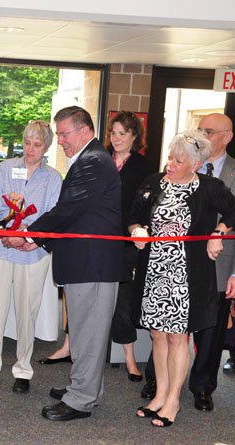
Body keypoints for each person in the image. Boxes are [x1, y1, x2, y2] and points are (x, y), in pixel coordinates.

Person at [4, 106, 123, 421]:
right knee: (85, 331)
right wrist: (38, 239)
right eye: (59, 135)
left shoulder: (93, 162)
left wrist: (31, 234)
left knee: (89, 333)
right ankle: (86, 387)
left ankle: (81, 399)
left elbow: (69, 209)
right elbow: (76, 216)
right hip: (85, 261)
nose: (61, 141)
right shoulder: (90, 159)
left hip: (93, 264)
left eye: (65, 134)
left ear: (84, 131)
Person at [129, 130, 235, 427]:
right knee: (157, 334)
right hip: (154, 270)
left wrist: (218, 233)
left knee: (177, 338)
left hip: (184, 274)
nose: (170, 164)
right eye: (170, 157)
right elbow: (134, 214)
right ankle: (160, 395)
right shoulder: (154, 182)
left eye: (178, 160)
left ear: (194, 164)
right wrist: (136, 230)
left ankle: (173, 401)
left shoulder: (208, 187)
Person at [0, 120, 62, 394]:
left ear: (46, 147)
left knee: (26, 313)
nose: (30, 149)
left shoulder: (53, 178)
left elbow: (52, 217)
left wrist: (28, 239)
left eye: (37, 145)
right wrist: (5, 201)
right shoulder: (6, 168)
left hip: (31, 254)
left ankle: (23, 369)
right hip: (1, 247)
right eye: (27, 143)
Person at [187, 113, 235, 412]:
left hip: (221, 265)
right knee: (170, 324)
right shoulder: (185, 165)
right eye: (199, 130)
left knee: (211, 331)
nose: (201, 136)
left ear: (227, 136)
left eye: (208, 131)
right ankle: (158, 379)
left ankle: (202, 387)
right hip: (183, 262)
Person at [106, 111, 156, 381]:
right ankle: (71, 347)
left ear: (134, 136)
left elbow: (146, 208)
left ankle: (129, 358)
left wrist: (137, 230)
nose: (116, 138)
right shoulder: (101, 160)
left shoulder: (145, 167)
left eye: (122, 133)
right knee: (89, 298)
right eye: (113, 133)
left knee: (123, 302)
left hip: (127, 244)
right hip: (99, 241)